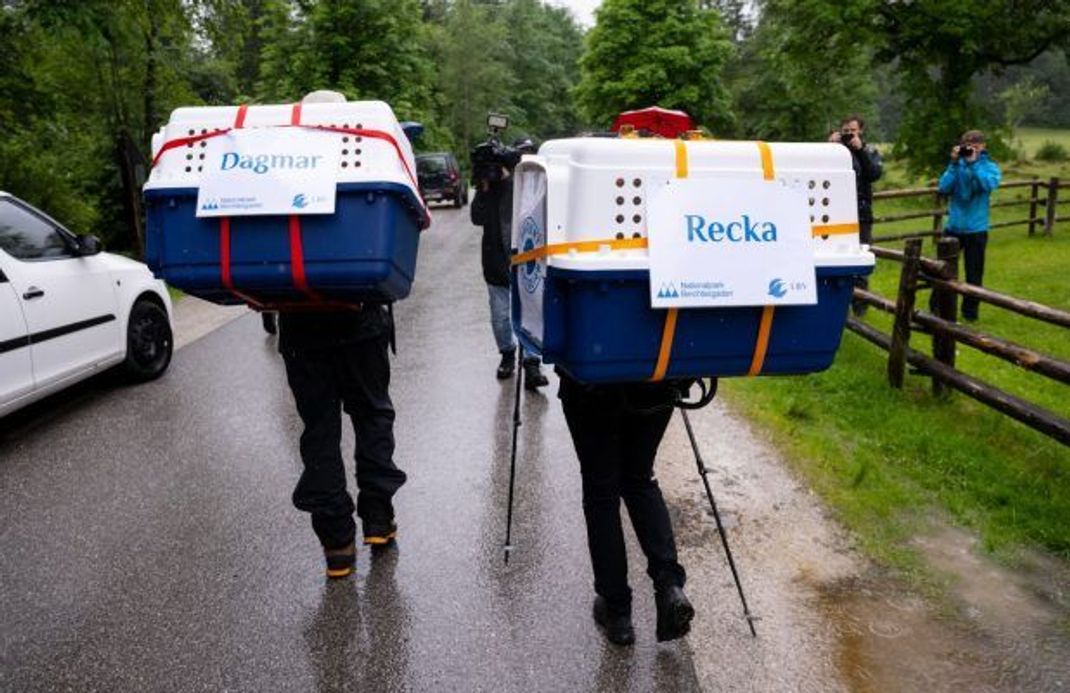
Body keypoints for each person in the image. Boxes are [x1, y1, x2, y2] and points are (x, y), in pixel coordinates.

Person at [278, 90, 407, 579]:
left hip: (300, 325)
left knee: (320, 431)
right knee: (372, 415)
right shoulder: (362, 153)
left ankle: (336, 545)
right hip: (362, 322)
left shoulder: (279, 164)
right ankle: (378, 519)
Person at [558, 372, 695, 645]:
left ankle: (618, 613)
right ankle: (669, 583)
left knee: (601, 492)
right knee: (639, 478)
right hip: (657, 376)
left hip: (592, 382)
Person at [472, 137, 548, 390]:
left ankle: (532, 364)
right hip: (495, 263)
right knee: (500, 318)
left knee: (531, 312)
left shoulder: (524, 187)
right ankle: (507, 353)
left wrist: (506, 179)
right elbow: (476, 218)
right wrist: (483, 186)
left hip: (525, 262)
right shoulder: (488, 189)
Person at [937, 130, 1001, 321]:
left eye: (975, 144)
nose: (971, 147)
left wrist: (973, 165)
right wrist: (953, 164)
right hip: (954, 227)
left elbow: (988, 185)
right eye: (967, 144)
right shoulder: (957, 166)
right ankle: (938, 308)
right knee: (942, 271)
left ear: (983, 146)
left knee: (974, 274)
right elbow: (943, 187)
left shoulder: (989, 167)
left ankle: (970, 313)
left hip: (976, 229)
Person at [829, 115, 883, 315]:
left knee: (860, 258)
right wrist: (830, 149)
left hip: (861, 213)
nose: (849, 134)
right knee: (837, 259)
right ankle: (838, 305)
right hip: (837, 213)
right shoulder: (836, 151)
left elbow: (874, 174)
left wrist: (860, 150)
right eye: (846, 130)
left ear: (861, 131)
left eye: (853, 130)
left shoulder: (868, 151)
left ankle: (860, 307)